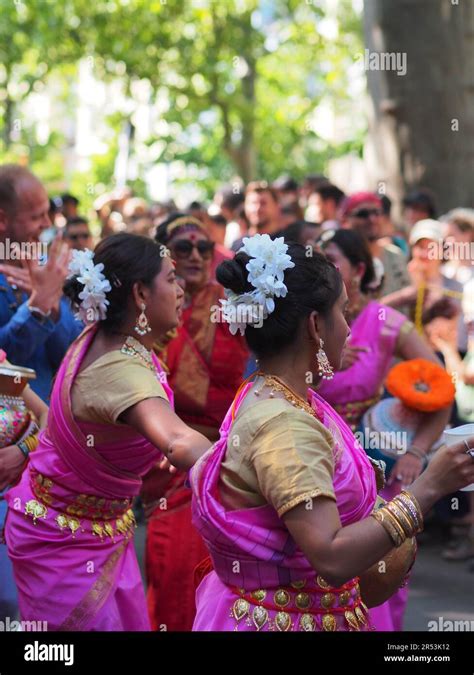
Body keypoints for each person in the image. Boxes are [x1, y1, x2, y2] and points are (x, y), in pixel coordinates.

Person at [190, 234, 474, 632]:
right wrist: (430, 486)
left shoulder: (286, 397)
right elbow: (333, 558)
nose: (349, 327)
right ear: (315, 324)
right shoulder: (284, 423)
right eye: (342, 313)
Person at [4, 233, 211, 631]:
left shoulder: (104, 338)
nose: (181, 288)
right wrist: (248, 464)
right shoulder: (120, 368)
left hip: (95, 529)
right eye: (170, 278)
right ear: (140, 293)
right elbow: (180, 439)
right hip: (66, 541)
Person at [316, 229, 451, 630]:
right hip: (311, 456)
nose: (324, 267)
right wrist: (325, 365)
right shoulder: (305, 319)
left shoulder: (385, 322)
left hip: (372, 464)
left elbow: (441, 389)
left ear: (359, 269)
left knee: (377, 579)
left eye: (332, 259)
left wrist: (416, 452)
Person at [144, 214, 247, 631]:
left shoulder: (236, 306)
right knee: (171, 573)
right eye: (182, 248)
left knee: (219, 577)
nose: (194, 256)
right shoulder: (150, 308)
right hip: (166, 458)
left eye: (203, 248)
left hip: (227, 460)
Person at [0, 164, 83, 401]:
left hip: (50, 426)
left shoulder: (46, 264)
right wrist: (36, 310)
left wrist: (53, 306)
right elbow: (5, 360)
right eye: (37, 216)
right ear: (2, 219)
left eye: (47, 213)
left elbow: (71, 352)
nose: (47, 224)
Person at [340, 191, 410, 296]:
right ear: (345, 220)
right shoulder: (341, 259)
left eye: (376, 212)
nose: (372, 219)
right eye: (363, 214)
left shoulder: (395, 255)